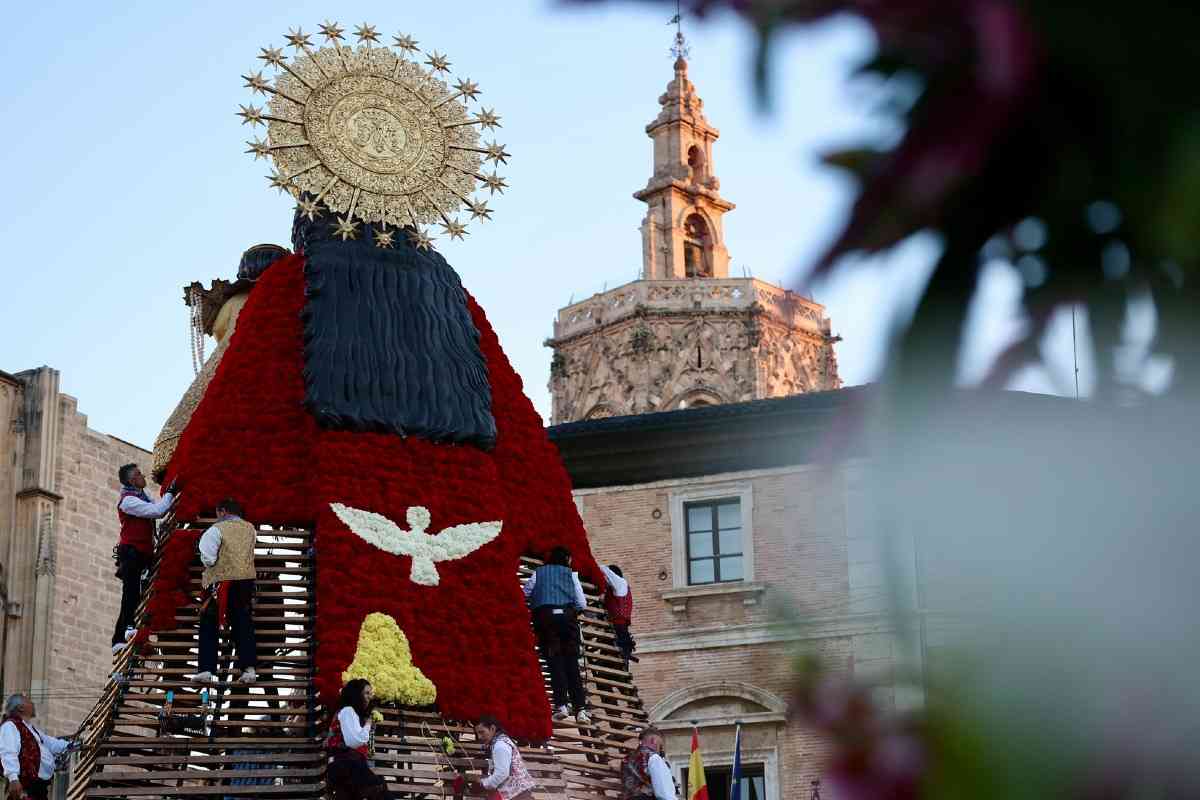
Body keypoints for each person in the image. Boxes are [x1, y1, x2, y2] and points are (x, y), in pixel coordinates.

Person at [112, 464, 176, 654]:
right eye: (139, 474)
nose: (143, 476)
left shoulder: (142, 495)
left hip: (142, 552)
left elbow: (156, 510)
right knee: (131, 592)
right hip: (132, 552)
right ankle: (126, 630)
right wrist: (171, 492)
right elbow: (157, 511)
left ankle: (120, 636)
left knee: (135, 593)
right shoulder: (128, 501)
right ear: (132, 480)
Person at [523, 546, 590, 724]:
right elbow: (582, 603)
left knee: (555, 663)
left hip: (545, 621)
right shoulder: (571, 575)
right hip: (567, 621)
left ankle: (561, 706)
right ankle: (581, 710)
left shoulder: (538, 573)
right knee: (572, 664)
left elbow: (525, 593)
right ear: (567, 559)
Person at [195, 498, 257, 684]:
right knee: (243, 623)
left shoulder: (216, 529)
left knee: (209, 622)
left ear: (222, 511)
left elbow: (208, 557)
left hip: (220, 583)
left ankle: (206, 669)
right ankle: (249, 669)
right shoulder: (250, 529)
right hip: (245, 582)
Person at [326, 679, 392, 800]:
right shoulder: (347, 711)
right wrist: (368, 723)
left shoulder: (351, 713)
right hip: (346, 765)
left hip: (348, 765)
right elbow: (355, 741)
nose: (370, 697)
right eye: (366, 693)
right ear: (357, 694)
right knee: (378, 788)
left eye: (370, 693)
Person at [0, 695, 73, 800]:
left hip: (39, 787)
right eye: (29, 701)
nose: (33, 703)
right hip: (26, 788)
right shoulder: (10, 726)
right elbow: (8, 752)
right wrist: (13, 778)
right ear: (21, 708)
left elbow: (50, 743)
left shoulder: (29, 728)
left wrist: (72, 745)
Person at [471, 715, 536, 800]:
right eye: (477, 733)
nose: (479, 737)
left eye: (482, 732)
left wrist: (483, 783)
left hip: (515, 794)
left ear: (492, 728)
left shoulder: (500, 745)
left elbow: (501, 774)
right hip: (519, 791)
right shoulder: (502, 741)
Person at [620, 726, 677, 800]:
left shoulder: (626, 759)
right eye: (660, 745)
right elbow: (663, 793)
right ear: (654, 740)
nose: (660, 749)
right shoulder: (654, 757)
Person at [599, 564, 637, 666]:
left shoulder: (620, 583)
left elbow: (604, 569)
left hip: (619, 629)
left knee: (616, 660)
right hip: (615, 629)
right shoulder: (612, 590)